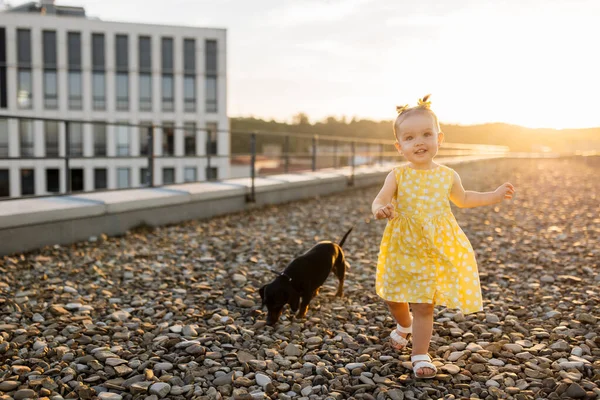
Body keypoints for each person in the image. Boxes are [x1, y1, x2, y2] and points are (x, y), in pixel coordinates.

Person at [371, 94, 515, 379]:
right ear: (400, 147)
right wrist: (381, 209)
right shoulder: (397, 175)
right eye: (410, 138)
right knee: (393, 297)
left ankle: (420, 354)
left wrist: (494, 196)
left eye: (426, 134)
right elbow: (379, 200)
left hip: (433, 248)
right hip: (402, 247)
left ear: (440, 137)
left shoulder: (447, 175)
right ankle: (404, 325)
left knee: (425, 302)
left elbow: (464, 199)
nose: (420, 142)